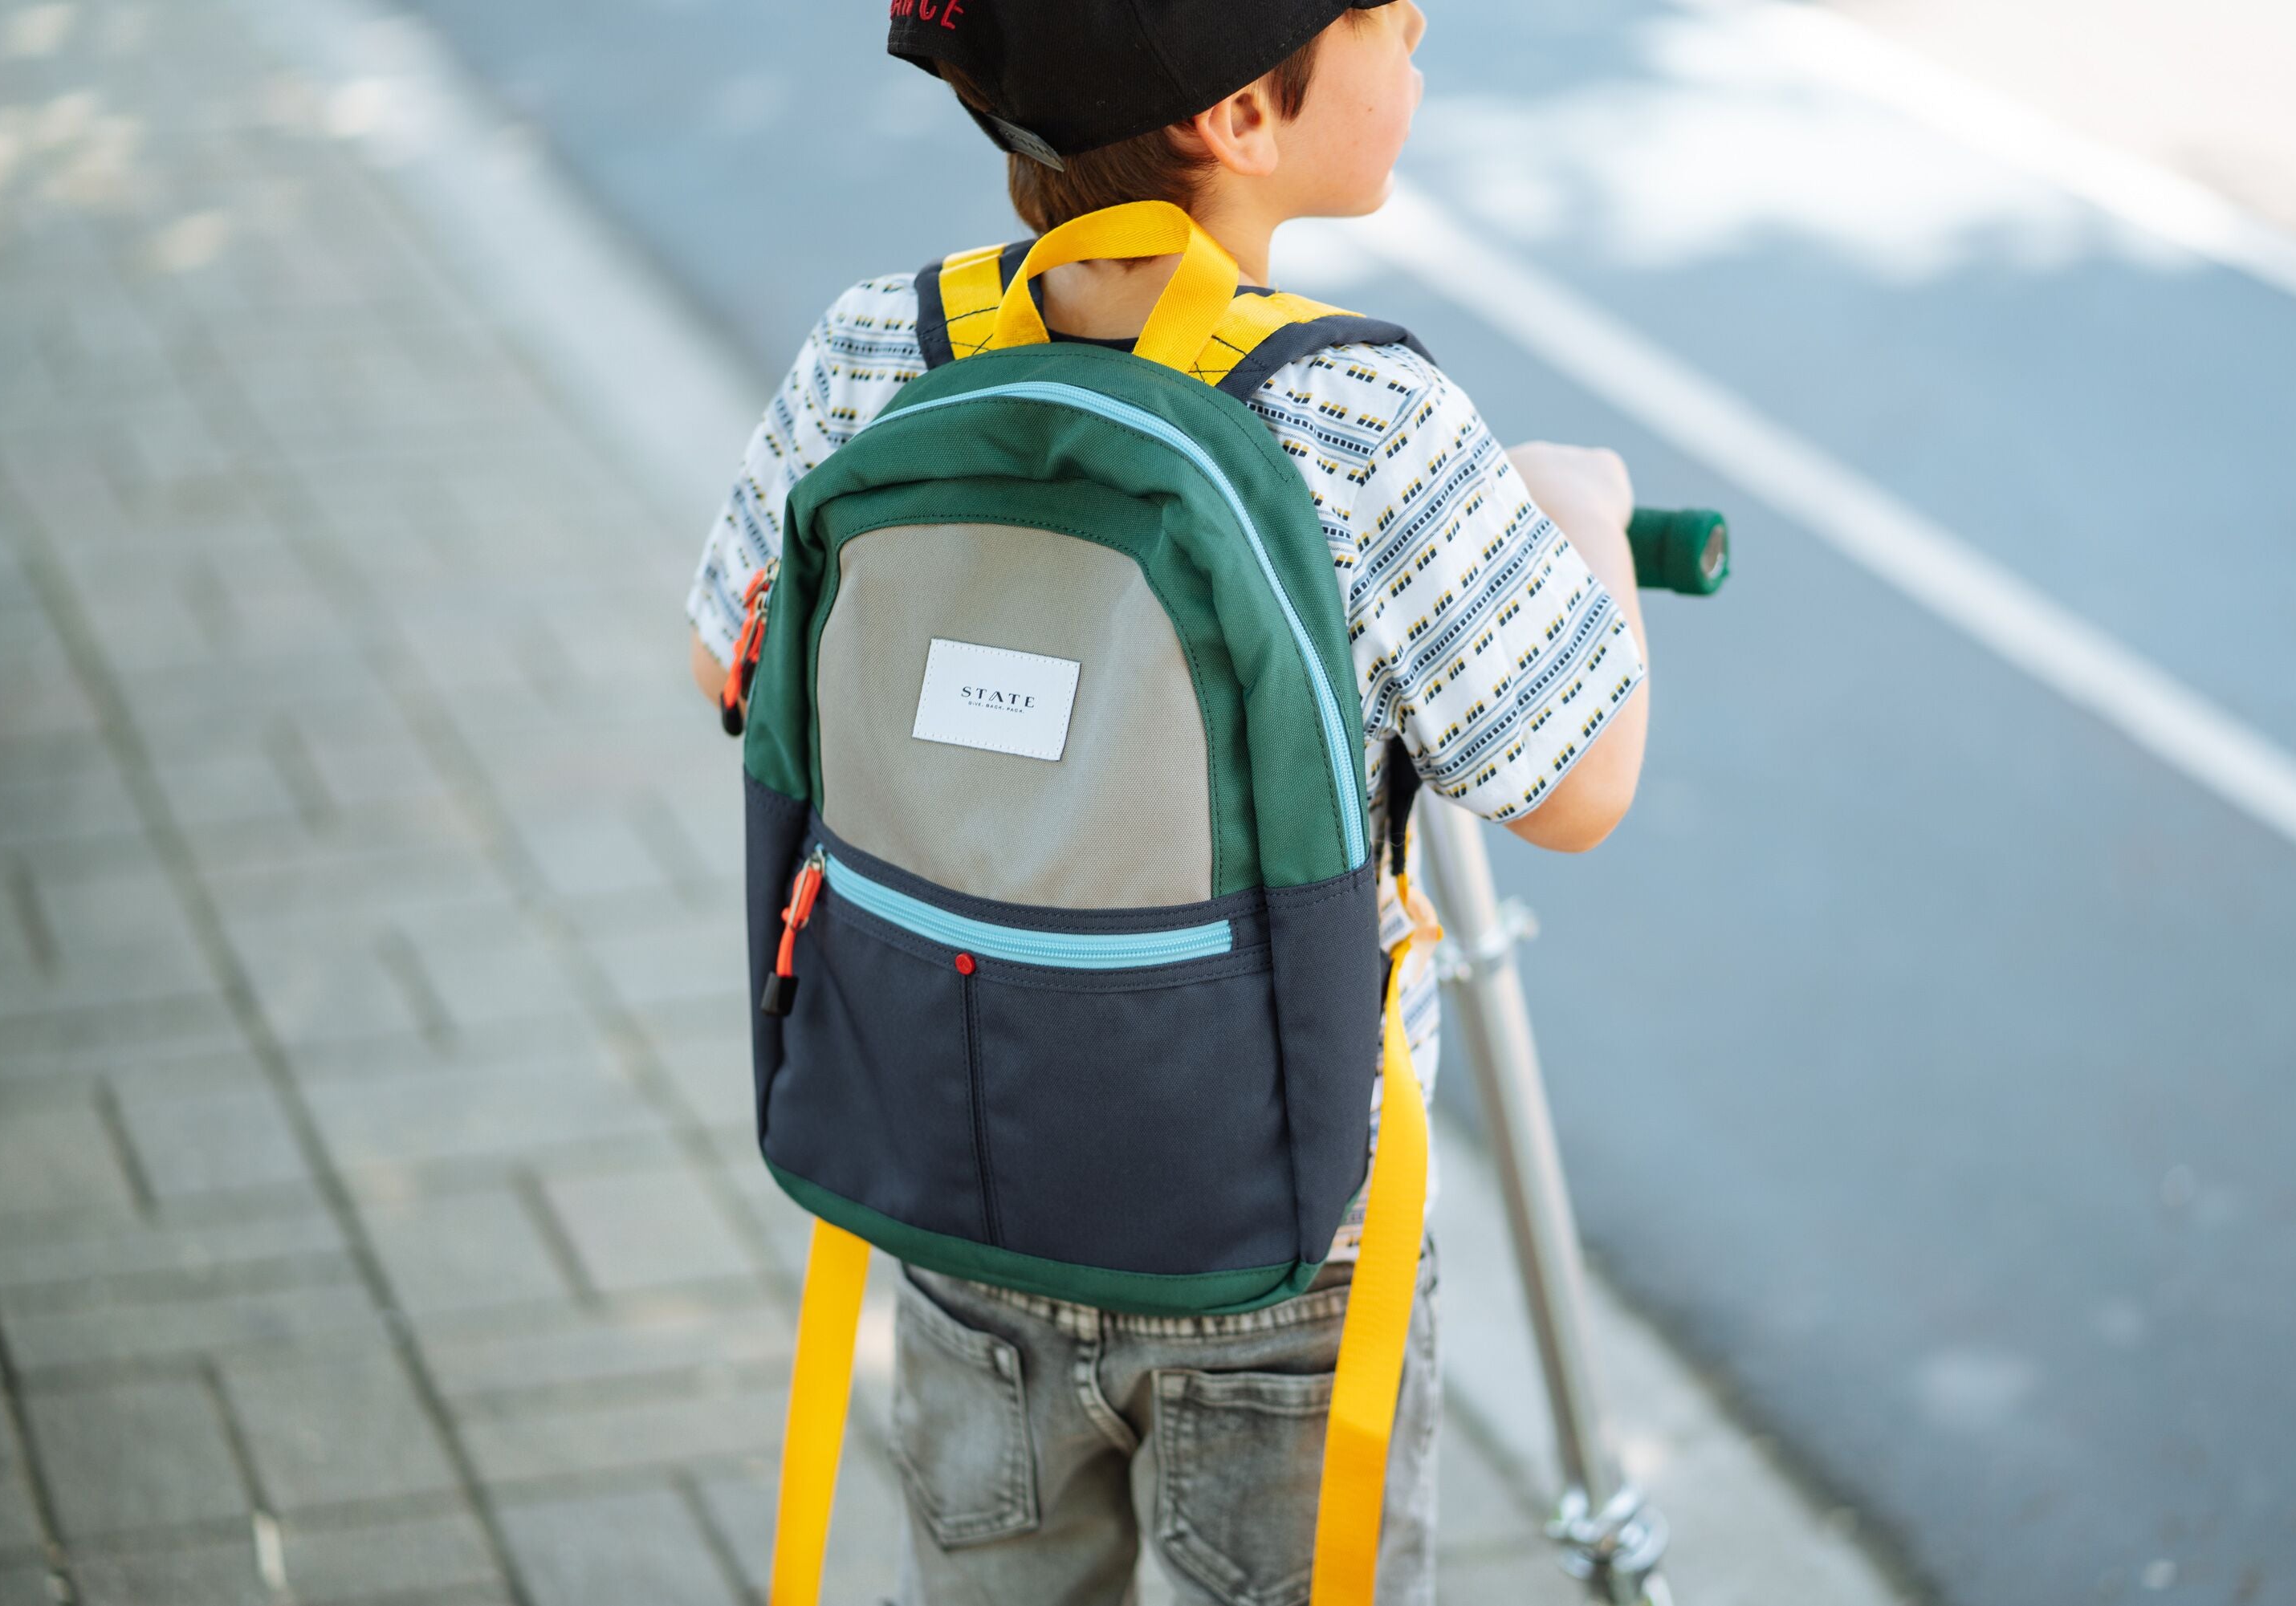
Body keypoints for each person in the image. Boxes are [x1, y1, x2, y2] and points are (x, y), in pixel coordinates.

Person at [686, 3, 1650, 1599]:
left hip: (953, 1181)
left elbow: (731, 662)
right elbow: (1580, 783)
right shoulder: (1365, 422)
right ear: (1240, 119)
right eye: (1383, 14)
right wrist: (1585, 521)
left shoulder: (878, 347)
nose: (1419, 34)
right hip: (1276, 1255)